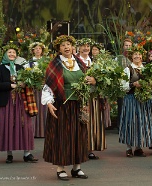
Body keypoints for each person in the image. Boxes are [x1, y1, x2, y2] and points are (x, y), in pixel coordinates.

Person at [41, 35, 96, 180]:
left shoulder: (80, 63)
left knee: (79, 134)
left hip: (78, 104)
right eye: (63, 45)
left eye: (68, 45)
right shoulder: (55, 64)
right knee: (63, 136)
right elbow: (48, 85)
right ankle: (60, 168)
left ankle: (76, 168)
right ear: (59, 49)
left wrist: (93, 80)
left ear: (73, 47)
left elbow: (89, 79)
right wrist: (48, 103)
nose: (66, 47)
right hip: (62, 105)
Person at [0, 43, 38, 163]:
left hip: (20, 100)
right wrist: (10, 85)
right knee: (7, 125)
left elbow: (28, 82)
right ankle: (9, 154)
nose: (12, 54)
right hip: (5, 101)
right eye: (9, 53)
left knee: (24, 125)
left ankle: (27, 153)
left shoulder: (21, 68)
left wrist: (24, 84)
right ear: (5, 55)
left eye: (14, 53)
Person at [119, 45, 152, 157]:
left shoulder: (146, 69)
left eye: (139, 54)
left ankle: (138, 147)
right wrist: (133, 84)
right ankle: (128, 148)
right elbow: (123, 86)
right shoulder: (128, 69)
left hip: (144, 100)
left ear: (142, 56)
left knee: (141, 122)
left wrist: (149, 85)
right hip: (131, 99)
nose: (137, 56)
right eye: (135, 54)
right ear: (131, 56)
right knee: (130, 121)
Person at [87, 42, 110, 159]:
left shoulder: (98, 63)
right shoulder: (77, 61)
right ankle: (81, 148)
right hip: (82, 96)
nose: (86, 48)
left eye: (87, 47)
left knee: (94, 122)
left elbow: (104, 80)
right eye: (84, 46)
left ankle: (90, 149)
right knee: (84, 122)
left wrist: (96, 81)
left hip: (94, 95)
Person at [24, 42, 48, 137]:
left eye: (39, 48)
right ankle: (33, 132)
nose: (38, 50)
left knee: (44, 108)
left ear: (42, 50)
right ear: (33, 50)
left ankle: (44, 132)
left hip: (44, 88)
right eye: (36, 48)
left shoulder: (46, 62)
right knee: (34, 108)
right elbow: (26, 75)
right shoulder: (28, 63)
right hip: (33, 89)